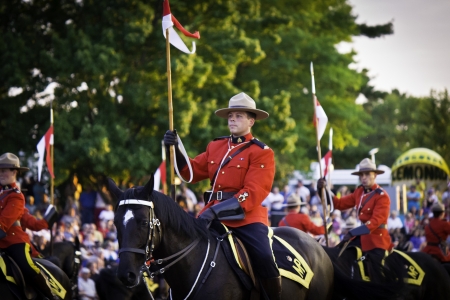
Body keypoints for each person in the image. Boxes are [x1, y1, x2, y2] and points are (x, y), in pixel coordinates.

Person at [164, 92, 281, 299]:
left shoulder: (261, 152)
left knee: (264, 257)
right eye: (230, 116)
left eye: (239, 116)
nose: (233, 119)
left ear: (251, 121)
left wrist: (216, 212)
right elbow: (189, 172)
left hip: (246, 219)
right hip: (210, 214)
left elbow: (253, 193)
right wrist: (174, 148)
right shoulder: (216, 146)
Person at [317, 158, 392, 280]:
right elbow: (339, 204)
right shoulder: (359, 192)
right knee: (339, 255)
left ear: (375, 175)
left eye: (367, 174)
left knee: (376, 274)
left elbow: (374, 223)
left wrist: (353, 232)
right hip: (361, 237)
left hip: (377, 240)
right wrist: (322, 189)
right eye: (361, 174)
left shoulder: (382, 196)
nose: (363, 177)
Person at [0, 152, 59, 299]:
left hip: (13, 242)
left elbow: (5, 223)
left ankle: (50, 295)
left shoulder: (16, 196)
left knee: (27, 266)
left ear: (14, 172)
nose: (0, 174)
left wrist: (46, 221)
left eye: (4, 170)